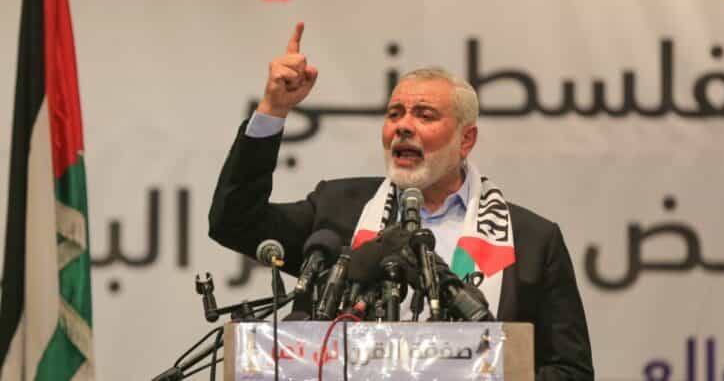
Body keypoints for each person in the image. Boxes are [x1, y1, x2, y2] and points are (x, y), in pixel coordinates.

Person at [208, 22, 594, 380]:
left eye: (424, 115)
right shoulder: (337, 210)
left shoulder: (531, 240)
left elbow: (570, 370)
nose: (403, 126)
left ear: (466, 140)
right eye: (394, 114)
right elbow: (235, 221)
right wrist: (273, 110)